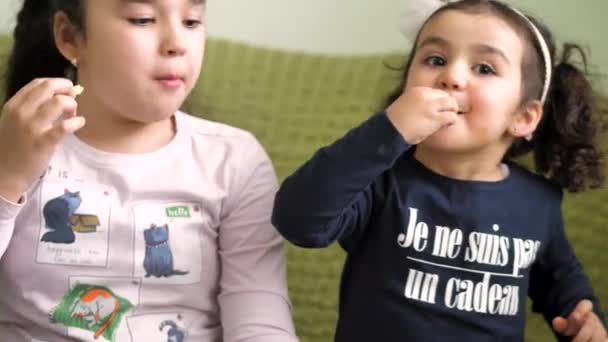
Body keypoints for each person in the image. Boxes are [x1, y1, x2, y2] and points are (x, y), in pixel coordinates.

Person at [271, 0, 607, 341]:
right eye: (436, 60)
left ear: (524, 117)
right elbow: (297, 220)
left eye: (484, 68)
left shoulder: (538, 201)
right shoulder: (381, 181)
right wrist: (387, 131)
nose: (451, 77)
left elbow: (559, 281)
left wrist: (583, 316)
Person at [0, 0, 298, 341]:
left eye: (191, 21)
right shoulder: (14, 148)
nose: (176, 43)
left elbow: (260, 322)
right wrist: (7, 179)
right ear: (69, 36)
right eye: (142, 19)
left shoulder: (234, 161)